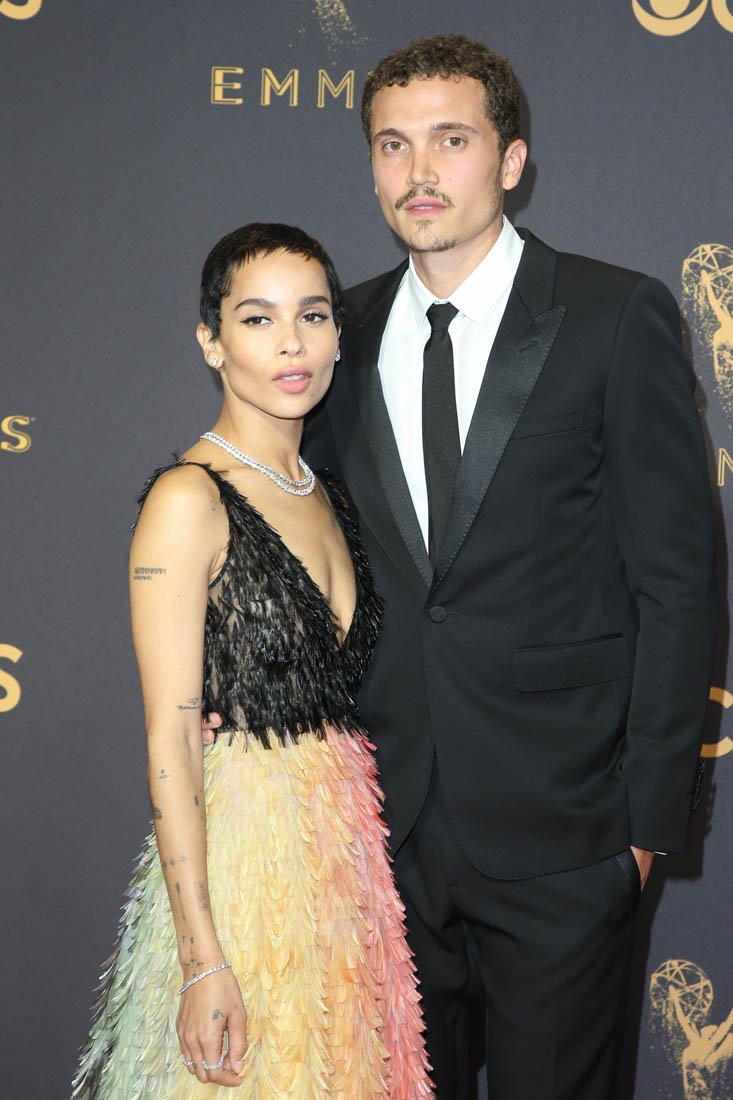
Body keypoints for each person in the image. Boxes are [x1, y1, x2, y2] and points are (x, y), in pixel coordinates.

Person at [203, 34, 716, 1100]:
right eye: (392, 145)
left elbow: (679, 583)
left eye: (450, 140)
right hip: (380, 841)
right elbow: (301, 548)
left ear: (511, 160)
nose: (419, 171)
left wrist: (642, 832)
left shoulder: (613, 316)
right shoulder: (333, 335)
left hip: (566, 838)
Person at [71, 223, 433, 1099]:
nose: (290, 343)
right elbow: (172, 736)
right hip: (243, 865)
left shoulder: (332, 494)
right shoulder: (187, 499)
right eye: (258, 318)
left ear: (337, 336)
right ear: (211, 341)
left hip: (346, 862)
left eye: (312, 316)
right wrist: (202, 958)